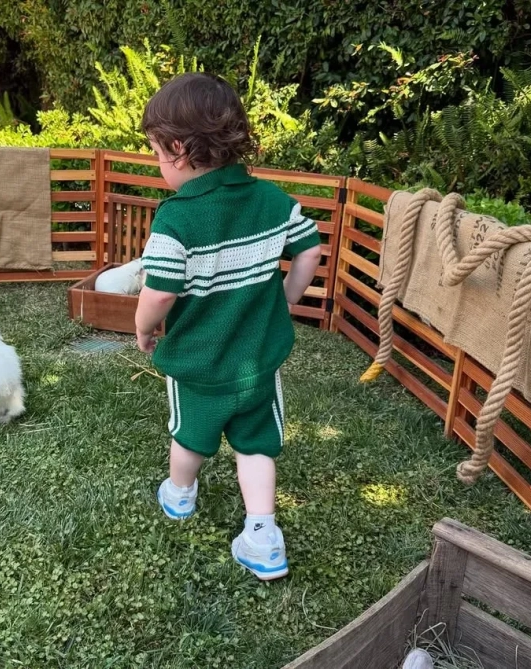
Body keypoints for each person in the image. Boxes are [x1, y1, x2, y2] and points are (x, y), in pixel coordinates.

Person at [135, 72, 322, 580]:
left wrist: (143, 328)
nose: (158, 164)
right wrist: (285, 299)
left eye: (155, 153)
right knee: (256, 443)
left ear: (178, 150)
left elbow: (160, 291)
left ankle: (179, 495)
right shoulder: (273, 201)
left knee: (190, 435)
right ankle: (263, 536)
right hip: (257, 362)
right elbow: (309, 251)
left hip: (199, 364)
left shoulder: (176, 218)